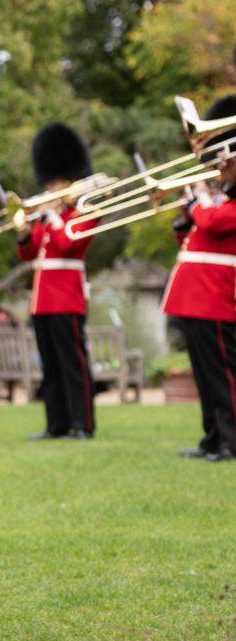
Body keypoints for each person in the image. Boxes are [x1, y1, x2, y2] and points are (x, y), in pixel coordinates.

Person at [162, 95, 236, 461]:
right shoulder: (219, 198)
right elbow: (194, 238)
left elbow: (213, 223)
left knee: (224, 375)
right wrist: (183, 216)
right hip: (193, 295)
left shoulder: (221, 203)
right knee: (205, 377)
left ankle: (231, 441)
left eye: (227, 157)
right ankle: (213, 437)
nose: (220, 164)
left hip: (216, 296)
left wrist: (199, 200)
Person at [17, 123, 98, 441]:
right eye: (48, 182)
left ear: (70, 180)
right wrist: (24, 234)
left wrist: (51, 217)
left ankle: (83, 424)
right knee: (50, 364)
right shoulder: (47, 217)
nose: (50, 189)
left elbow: (68, 245)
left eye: (56, 182)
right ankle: (57, 423)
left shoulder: (85, 211)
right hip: (42, 299)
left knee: (72, 362)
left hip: (67, 296)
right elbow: (30, 255)